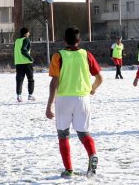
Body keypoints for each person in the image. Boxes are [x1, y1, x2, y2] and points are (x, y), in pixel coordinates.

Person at [45, 26, 103, 178]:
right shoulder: (86, 54)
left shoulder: (59, 56)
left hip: (64, 98)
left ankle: (69, 169)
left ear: (64, 40)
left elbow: (54, 83)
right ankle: (92, 154)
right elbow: (100, 78)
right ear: (79, 41)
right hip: (83, 99)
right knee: (84, 133)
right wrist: (92, 88)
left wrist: (49, 105)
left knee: (63, 134)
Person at [14, 27, 35, 102]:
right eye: (28, 32)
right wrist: (30, 58)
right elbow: (23, 50)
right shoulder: (26, 40)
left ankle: (19, 96)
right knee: (30, 79)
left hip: (18, 63)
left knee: (19, 80)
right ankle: (30, 95)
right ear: (25, 33)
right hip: (26, 63)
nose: (29, 34)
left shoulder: (16, 41)